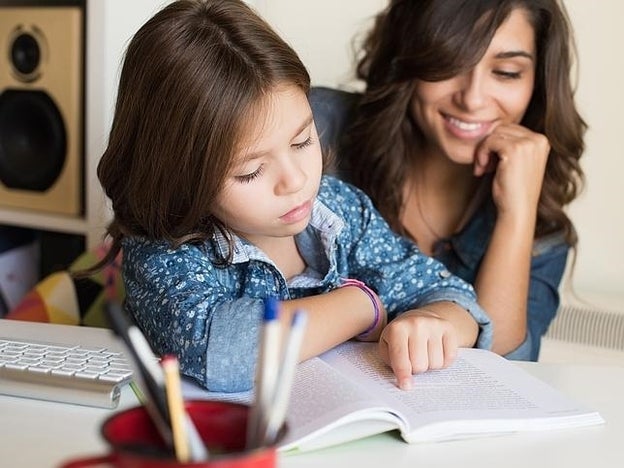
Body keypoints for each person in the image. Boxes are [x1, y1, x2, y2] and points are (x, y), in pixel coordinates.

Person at [90, 0, 492, 393]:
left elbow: (451, 296)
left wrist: (432, 322)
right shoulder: (164, 248)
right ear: (179, 173)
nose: (295, 180)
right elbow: (222, 350)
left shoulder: (338, 210)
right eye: (251, 170)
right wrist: (360, 306)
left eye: (302, 141)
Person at [311, 0, 585, 361]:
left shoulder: (544, 232)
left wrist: (517, 213)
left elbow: (501, 372)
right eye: (451, 63)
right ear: (408, 57)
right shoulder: (315, 130)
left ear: (538, 83)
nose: (472, 99)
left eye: (505, 72)